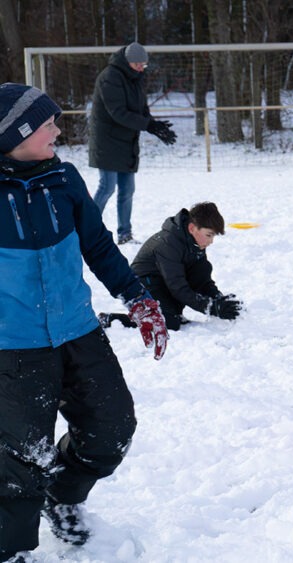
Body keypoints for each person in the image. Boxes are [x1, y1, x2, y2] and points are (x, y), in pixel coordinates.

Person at [0, 83, 168, 560]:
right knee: (20, 457)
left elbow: (96, 245)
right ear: (17, 132)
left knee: (111, 427)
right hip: (14, 345)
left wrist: (138, 297)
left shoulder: (65, 179)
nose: (58, 128)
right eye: (46, 122)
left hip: (78, 330)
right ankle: (11, 549)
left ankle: (64, 496)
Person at [99, 202, 242, 331]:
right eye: (209, 235)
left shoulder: (195, 242)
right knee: (167, 322)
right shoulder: (168, 243)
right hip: (143, 285)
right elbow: (177, 287)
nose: (211, 241)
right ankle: (112, 320)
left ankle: (168, 311)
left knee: (201, 269)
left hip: (165, 283)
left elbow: (202, 279)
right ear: (192, 228)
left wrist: (218, 300)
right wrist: (211, 308)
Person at [89, 41, 177, 245]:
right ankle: (89, 229)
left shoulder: (134, 78)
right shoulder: (109, 77)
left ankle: (125, 234)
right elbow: (118, 113)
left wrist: (154, 125)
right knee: (107, 187)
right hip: (107, 141)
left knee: (127, 190)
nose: (141, 68)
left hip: (126, 141)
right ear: (128, 62)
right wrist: (147, 125)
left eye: (143, 65)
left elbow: (140, 108)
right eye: (138, 65)